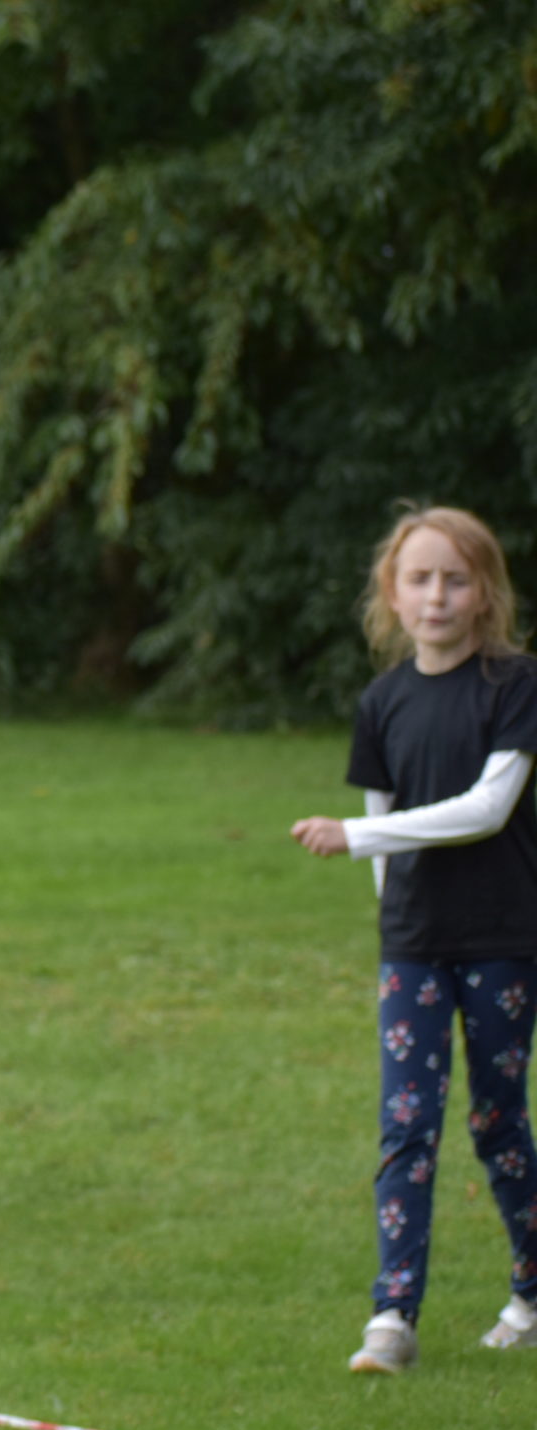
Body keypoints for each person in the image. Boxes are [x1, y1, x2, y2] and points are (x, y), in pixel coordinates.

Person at [291, 504, 537, 1373]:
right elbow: (382, 823)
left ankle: (532, 1288)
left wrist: (357, 839)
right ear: (392, 596)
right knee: (407, 1125)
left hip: (506, 939)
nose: (437, 594)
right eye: (420, 578)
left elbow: (487, 809)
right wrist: (388, 900)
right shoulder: (381, 701)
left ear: (485, 594)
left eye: (456, 578)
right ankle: (392, 1316)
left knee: (498, 1120)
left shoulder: (517, 686)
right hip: (414, 947)